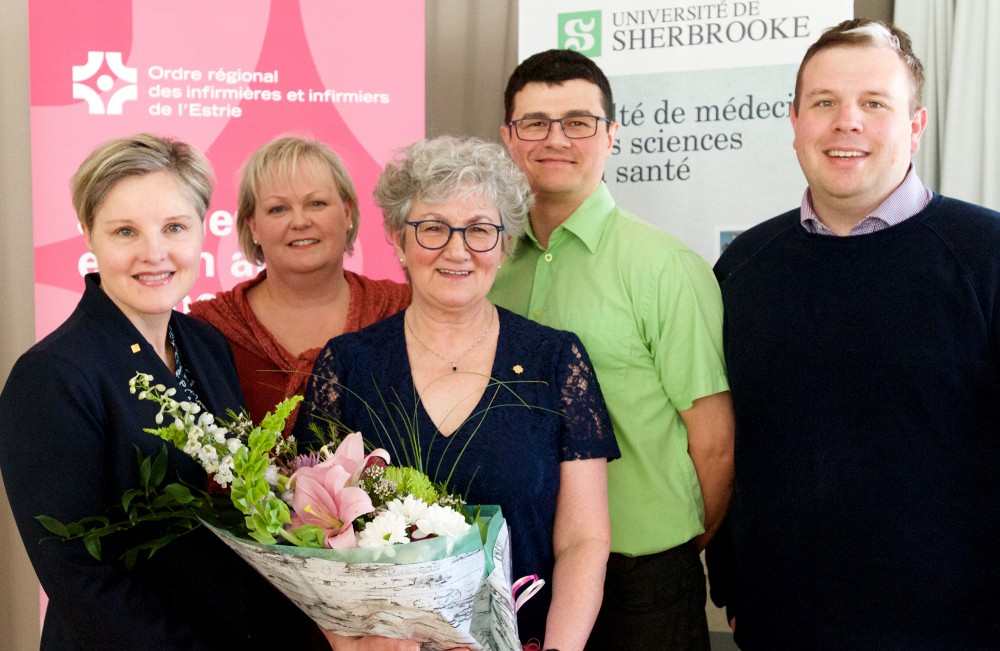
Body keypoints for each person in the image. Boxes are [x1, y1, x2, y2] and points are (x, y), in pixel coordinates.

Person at [710, 19, 1000, 649]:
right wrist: (732, 586)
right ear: (794, 124)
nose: (848, 122)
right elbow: (728, 440)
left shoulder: (988, 255)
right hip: (779, 623)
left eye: (874, 103)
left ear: (915, 126)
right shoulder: (743, 268)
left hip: (958, 628)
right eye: (824, 103)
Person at [293, 135, 620, 651]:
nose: (456, 249)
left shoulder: (555, 362)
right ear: (399, 240)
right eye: (433, 228)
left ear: (506, 244)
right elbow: (312, 537)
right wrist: (352, 644)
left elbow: (584, 540)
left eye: (479, 230)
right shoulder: (348, 366)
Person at [0, 134, 307, 649]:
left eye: (174, 227)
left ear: (202, 232)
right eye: (125, 231)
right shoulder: (51, 376)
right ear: (88, 235)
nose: (154, 253)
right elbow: (79, 576)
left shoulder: (206, 343)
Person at [490, 49, 735, 650]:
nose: (556, 139)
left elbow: (714, 442)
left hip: (642, 578)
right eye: (535, 123)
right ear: (508, 137)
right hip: (511, 572)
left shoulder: (665, 267)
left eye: (578, 121)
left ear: (611, 134)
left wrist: (674, 541)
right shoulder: (480, 263)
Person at [189, 136, 410, 427]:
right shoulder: (207, 330)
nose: (300, 221)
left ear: (347, 213)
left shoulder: (404, 309)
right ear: (252, 225)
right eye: (278, 209)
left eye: (316, 203)